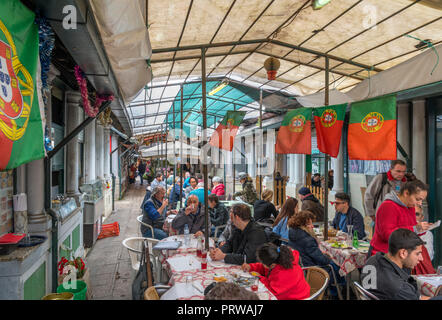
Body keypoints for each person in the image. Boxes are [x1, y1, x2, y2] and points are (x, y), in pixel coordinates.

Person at [369, 180, 435, 274]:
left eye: (421, 200)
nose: (420, 203)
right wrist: (415, 228)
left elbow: (410, 230)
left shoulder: (410, 207)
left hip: (402, 258)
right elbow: (388, 235)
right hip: (385, 257)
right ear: (406, 193)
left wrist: (422, 229)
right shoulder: (388, 206)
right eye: (417, 199)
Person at [361, 228, 442, 300]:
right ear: (403, 253)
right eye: (417, 254)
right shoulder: (399, 288)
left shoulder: (372, 260)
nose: (421, 258)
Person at [241, 243, 310, 300]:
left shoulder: (285, 273)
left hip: (296, 298)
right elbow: (264, 267)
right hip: (287, 293)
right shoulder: (277, 259)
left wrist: (260, 277)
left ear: (272, 265)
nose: (261, 264)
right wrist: (251, 267)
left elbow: (273, 293)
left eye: (263, 262)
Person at [364, 160, 407, 224]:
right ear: (391, 169)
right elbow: (368, 196)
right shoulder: (381, 178)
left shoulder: (405, 181)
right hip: (382, 217)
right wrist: (371, 214)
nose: (401, 174)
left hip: (399, 218)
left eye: (403, 172)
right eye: (398, 171)